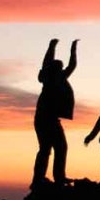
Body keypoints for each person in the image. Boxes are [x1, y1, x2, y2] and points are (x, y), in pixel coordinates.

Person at [33, 38, 78, 188]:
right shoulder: (52, 77)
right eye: (60, 66)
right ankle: (46, 179)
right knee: (54, 147)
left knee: (52, 148)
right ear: (55, 69)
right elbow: (48, 62)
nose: (62, 67)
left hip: (47, 118)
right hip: (46, 119)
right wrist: (52, 46)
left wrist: (71, 49)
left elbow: (70, 65)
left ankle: (47, 178)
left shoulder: (53, 77)